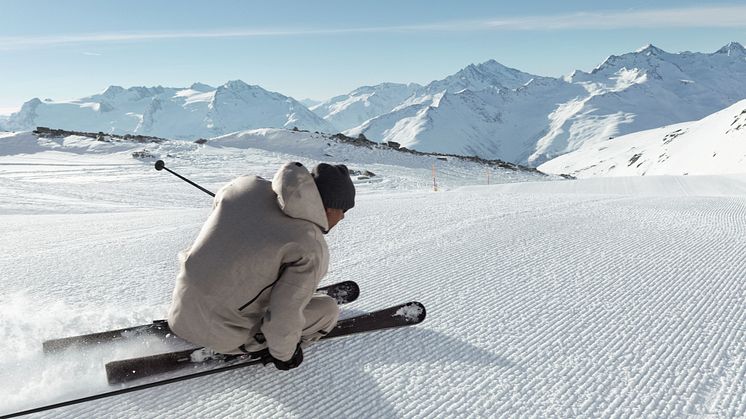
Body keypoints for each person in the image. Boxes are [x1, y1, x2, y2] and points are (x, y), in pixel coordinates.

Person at [167, 161, 355, 371]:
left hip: (179, 311)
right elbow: (282, 319)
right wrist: (285, 355)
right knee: (328, 310)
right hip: (224, 336)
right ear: (330, 208)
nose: (344, 217)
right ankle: (258, 342)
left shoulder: (245, 185)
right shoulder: (310, 246)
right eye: (344, 210)